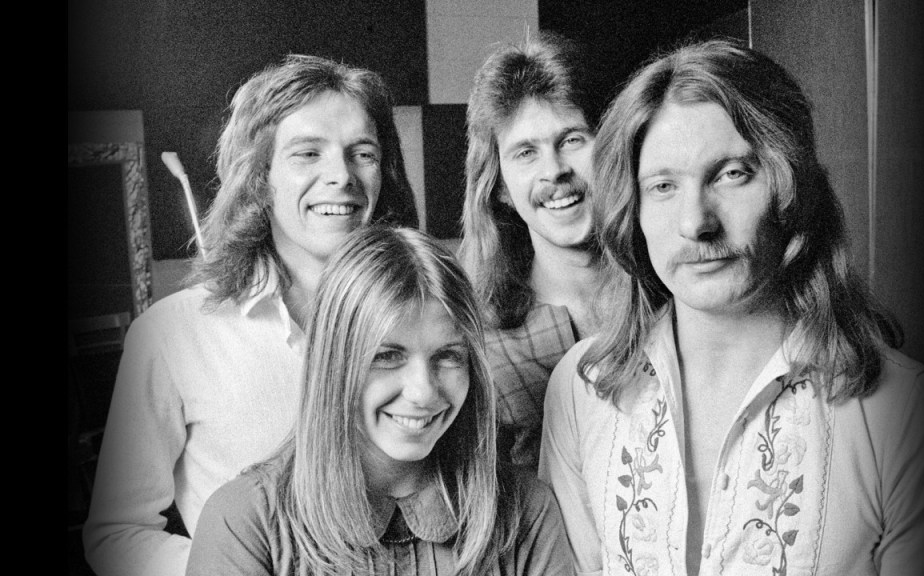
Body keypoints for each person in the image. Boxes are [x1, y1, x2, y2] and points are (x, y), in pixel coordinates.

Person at [539, 39, 924, 575]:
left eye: (732, 174)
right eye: (663, 186)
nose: (697, 222)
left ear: (790, 186)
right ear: (633, 212)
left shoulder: (913, 416)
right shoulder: (581, 390)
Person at [83, 54, 417, 576]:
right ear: (260, 179)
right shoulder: (172, 335)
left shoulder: (424, 324)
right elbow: (118, 533)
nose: (341, 176)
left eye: (363, 153)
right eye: (308, 153)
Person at [185, 225, 573, 575]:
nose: (423, 392)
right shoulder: (243, 523)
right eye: (387, 356)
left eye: (448, 356)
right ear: (332, 361)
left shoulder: (527, 513)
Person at [459, 31, 605, 471]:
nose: (555, 171)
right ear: (500, 186)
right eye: (526, 153)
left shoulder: (675, 298)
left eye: (573, 140)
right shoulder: (480, 345)